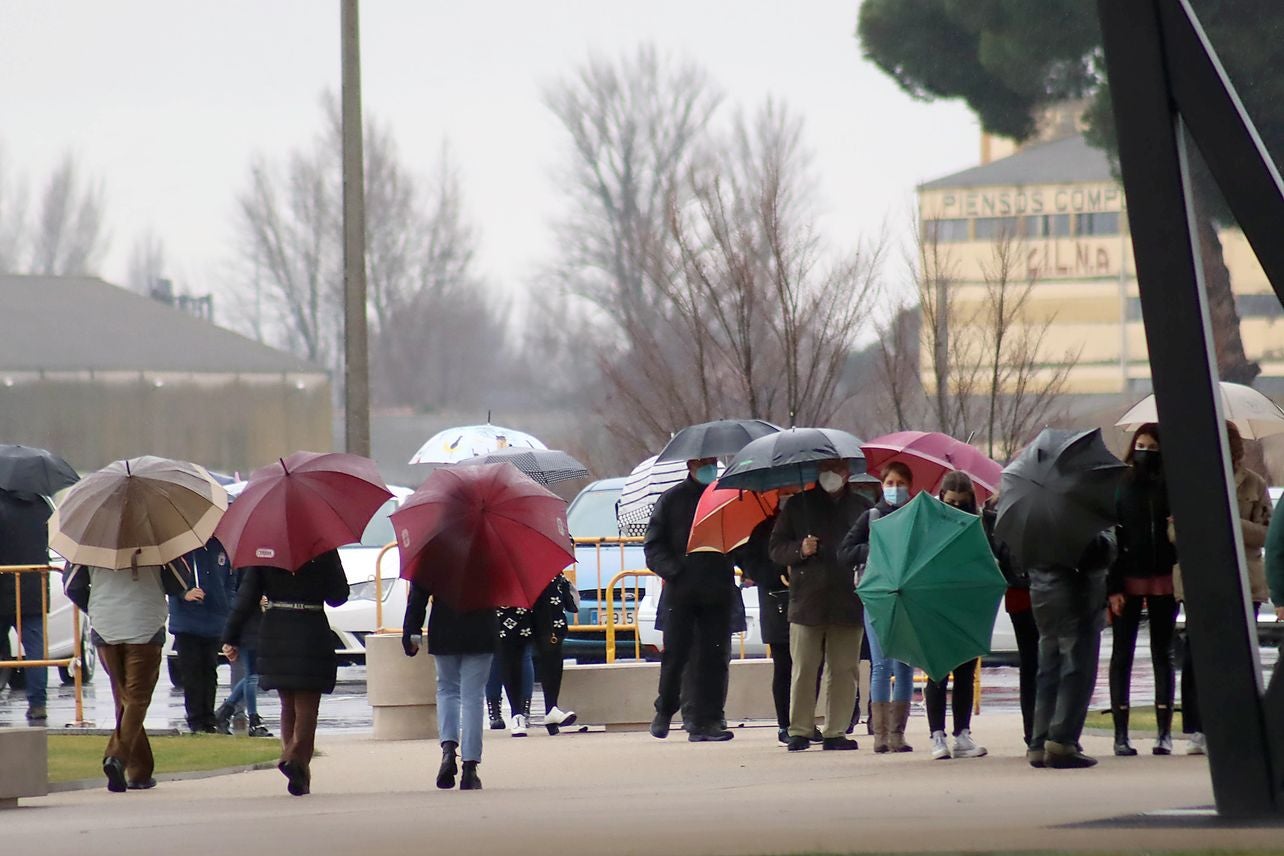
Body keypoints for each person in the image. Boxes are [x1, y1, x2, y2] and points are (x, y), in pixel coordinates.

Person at [1174, 421, 1273, 755]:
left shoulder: (1255, 484)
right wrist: (1204, 522)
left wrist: (1231, 520)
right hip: (1201, 577)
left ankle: (1239, 725)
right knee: (1196, 653)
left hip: (1245, 578)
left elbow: (1266, 533)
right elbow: (1174, 531)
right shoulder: (1190, 481)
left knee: (1241, 653)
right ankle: (1197, 728)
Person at [64, 555, 200, 792]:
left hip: (106, 625)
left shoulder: (91, 540)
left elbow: (72, 586)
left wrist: (96, 605)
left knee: (124, 697)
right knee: (137, 698)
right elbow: (178, 582)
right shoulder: (155, 537)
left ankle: (140, 771)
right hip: (144, 624)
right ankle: (116, 757)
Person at [222, 550, 349, 797]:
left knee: (287, 703)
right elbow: (338, 596)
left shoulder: (265, 548)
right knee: (307, 705)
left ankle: (296, 765)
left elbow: (247, 596)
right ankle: (293, 758)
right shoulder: (321, 547)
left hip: (276, 627)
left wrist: (230, 635)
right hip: (310, 626)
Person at [773, 458, 872, 752]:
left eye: (838, 468)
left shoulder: (862, 507)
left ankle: (835, 730)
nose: (832, 474)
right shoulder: (797, 506)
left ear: (848, 472)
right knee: (803, 668)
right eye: (827, 467)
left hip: (848, 600)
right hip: (807, 601)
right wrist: (799, 550)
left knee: (844, 669)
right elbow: (776, 548)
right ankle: (800, 729)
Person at [645, 457, 737, 742]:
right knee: (675, 655)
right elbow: (653, 546)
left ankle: (707, 721)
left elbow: (740, 539)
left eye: (712, 462)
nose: (708, 467)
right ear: (691, 465)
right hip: (680, 592)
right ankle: (665, 710)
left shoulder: (726, 498)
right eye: (703, 462)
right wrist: (674, 570)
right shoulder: (672, 500)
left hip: (717, 590)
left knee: (714, 658)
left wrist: (753, 567)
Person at [1107, 423, 1178, 757]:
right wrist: (1113, 586)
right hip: (1127, 577)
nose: (1145, 452)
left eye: (1152, 447)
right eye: (1141, 445)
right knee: (1123, 653)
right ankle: (1121, 734)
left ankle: (1164, 733)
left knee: (1162, 653)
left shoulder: (1172, 485)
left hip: (1164, 575)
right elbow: (1112, 538)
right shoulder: (1120, 485)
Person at [839, 462, 915, 754]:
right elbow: (844, 552)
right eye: (890, 483)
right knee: (880, 665)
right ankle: (880, 734)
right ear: (882, 485)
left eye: (900, 483)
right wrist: (875, 548)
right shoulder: (871, 516)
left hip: (908, 598)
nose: (895, 488)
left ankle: (898, 733)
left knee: (905, 665)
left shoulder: (914, 516)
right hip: (877, 596)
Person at [1027, 529, 1117, 769]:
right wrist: (1108, 536)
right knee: (1077, 669)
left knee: (1049, 668)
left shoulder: (1029, 511)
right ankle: (1061, 740)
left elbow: (1011, 555)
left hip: (1041, 591)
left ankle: (1039, 739)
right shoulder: (1076, 512)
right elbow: (1101, 552)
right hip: (1077, 593)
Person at [403, 582, 495, 790]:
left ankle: (448, 750)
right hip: (481, 626)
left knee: (447, 691)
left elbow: (418, 595)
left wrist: (412, 632)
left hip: (444, 626)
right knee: (473, 697)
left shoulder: (434, 552)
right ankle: (470, 767)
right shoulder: (492, 554)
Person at [923, 471, 988, 760]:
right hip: (937, 604)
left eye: (962, 502)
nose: (956, 507)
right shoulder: (929, 526)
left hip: (967, 604)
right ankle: (937, 734)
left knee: (964, 672)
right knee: (937, 673)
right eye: (951, 501)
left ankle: (962, 733)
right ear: (941, 499)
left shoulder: (979, 525)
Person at [735, 510, 793, 744]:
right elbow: (747, 560)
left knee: (811, 667)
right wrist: (774, 574)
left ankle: (804, 720)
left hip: (809, 601)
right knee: (784, 666)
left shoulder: (810, 521)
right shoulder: (763, 529)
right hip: (776, 602)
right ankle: (785, 724)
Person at [168, 537, 236, 734]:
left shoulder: (222, 546)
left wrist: (227, 603)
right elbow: (170, 580)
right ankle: (195, 718)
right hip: (187, 622)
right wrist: (184, 593)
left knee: (209, 670)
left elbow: (231, 580)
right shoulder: (181, 548)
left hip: (215, 618)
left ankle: (208, 718)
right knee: (192, 671)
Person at [985, 496, 1036, 747]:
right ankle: (1032, 731)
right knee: (1030, 661)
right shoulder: (1000, 512)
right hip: (1019, 590)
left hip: (1044, 586)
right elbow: (999, 550)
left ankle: (1047, 727)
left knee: (1049, 661)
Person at [0, 490, 53, 724]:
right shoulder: (42, 505)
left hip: (2, 587)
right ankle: (38, 703)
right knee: (36, 652)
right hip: (34, 589)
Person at [214, 565, 272, 738]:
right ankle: (253, 719)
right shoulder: (247, 568)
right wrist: (229, 638)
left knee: (253, 676)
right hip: (248, 628)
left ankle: (225, 711)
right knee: (252, 676)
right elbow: (239, 598)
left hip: (258, 627)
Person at [533, 572, 578, 734]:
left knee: (553, 655)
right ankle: (517, 713)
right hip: (520, 607)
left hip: (550, 609)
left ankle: (551, 708)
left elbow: (572, 605)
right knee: (513, 656)